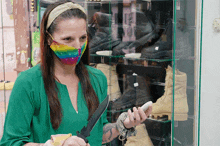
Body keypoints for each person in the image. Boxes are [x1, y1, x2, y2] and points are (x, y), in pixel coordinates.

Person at [0, 1, 152, 146]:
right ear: (48, 39)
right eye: (68, 39)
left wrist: (123, 125)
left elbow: (98, 133)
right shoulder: (28, 83)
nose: (77, 46)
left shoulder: (97, 79)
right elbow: (11, 142)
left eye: (83, 38)